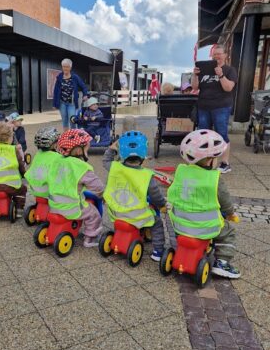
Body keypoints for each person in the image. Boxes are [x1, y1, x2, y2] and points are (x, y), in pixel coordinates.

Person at [167, 129, 240, 279]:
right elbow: (224, 200)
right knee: (228, 232)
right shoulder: (214, 178)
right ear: (209, 161)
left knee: (180, 229)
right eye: (216, 159)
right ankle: (222, 262)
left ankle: (181, 250)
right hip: (205, 226)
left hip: (180, 225)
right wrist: (231, 214)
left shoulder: (181, 172)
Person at [103, 131, 166, 261]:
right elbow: (156, 196)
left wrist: (111, 149)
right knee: (157, 222)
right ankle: (158, 252)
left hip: (115, 213)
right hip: (136, 215)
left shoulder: (115, 167)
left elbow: (106, 160)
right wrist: (162, 205)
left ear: (121, 153)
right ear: (143, 154)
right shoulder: (147, 175)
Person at [48, 129, 104, 247]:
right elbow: (97, 186)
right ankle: (91, 238)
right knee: (93, 214)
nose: (88, 150)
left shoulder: (56, 161)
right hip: (71, 207)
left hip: (53, 205)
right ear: (79, 150)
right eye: (86, 148)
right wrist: (103, 194)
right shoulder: (80, 167)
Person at [191, 45, 237, 173]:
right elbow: (195, 87)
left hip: (221, 107)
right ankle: (205, 161)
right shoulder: (205, 70)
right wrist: (195, 75)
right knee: (204, 135)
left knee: (222, 134)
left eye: (219, 54)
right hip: (204, 106)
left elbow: (228, 88)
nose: (216, 56)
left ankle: (225, 163)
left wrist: (221, 75)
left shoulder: (230, 70)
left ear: (225, 55)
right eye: (214, 54)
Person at [0, 122, 27, 210]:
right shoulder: (13, 150)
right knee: (22, 190)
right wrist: (23, 174)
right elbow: (20, 165)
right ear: (9, 138)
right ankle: (19, 208)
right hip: (10, 185)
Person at [24, 127, 61, 198]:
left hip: (34, 190)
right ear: (54, 144)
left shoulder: (37, 155)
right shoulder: (57, 157)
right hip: (49, 193)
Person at [53, 58, 89, 130]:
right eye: (64, 66)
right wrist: (54, 104)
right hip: (62, 103)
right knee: (64, 120)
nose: (65, 68)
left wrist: (85, 94)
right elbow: (56, 91)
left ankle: (73, 137)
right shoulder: (59, 77)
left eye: (67, 67)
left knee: (72, 120)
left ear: (70, 67)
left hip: (72, 103)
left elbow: (83, 86)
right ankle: (66, 138)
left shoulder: (75, 77)